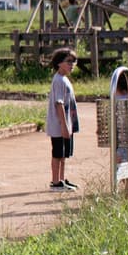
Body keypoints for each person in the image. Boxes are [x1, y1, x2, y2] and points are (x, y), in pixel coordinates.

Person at [45, 48, 80, 191]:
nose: (72, 64)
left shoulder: (64, 79)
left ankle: (61, 179)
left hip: (67, 124)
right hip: (59, 125)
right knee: (58, 153)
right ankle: (55, 181)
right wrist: (64, 126)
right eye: (69, 61)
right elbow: (59, 104)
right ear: (59, 63)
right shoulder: (58, 80)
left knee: (64, 153)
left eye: (74, 61)